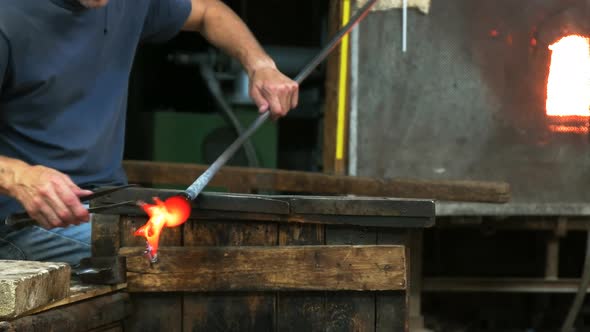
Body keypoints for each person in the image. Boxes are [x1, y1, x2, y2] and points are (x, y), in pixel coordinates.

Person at [0, 0, 299, 265]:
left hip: (110, 206)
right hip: (20, 224)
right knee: (175, 256)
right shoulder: (8, 16)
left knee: (218, 240)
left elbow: (209, 11)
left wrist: (260, 64)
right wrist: (17, 176)